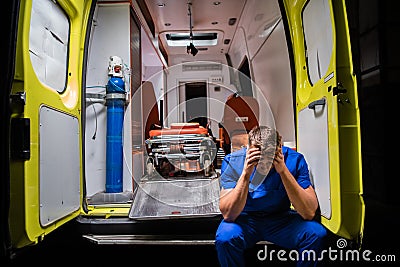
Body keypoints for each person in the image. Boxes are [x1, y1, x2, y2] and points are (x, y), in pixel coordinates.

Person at [215, 125, 327, 267]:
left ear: (280, 147)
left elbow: (309, 212)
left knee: (316, 233)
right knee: (225, 238)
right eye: (259, 156)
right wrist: (246, 173)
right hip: (245, 220)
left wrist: (283, 171)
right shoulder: (233, 161)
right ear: (249, 148)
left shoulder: (294, 160)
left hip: (281, 219)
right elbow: (228, 215)